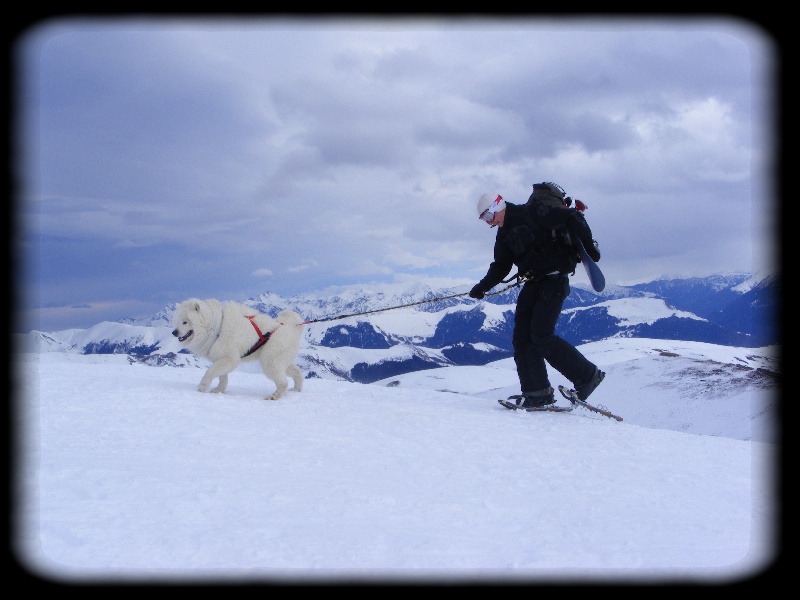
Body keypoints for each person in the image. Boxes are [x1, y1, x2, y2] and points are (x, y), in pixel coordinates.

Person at [469, 182, 605, 409]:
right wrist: (482, 287)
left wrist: (590, 248)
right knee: (522, 339)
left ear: (499, 205)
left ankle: (587, 376)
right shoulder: (503, 234)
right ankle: (537, 392)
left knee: (541, 335)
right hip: (533, 282)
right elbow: (501, 266)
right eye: (485, 219)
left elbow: (573, 218)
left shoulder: (532, 213)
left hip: (554, 280)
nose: (489, 222)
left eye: (489, 215)